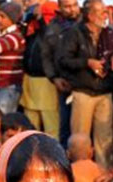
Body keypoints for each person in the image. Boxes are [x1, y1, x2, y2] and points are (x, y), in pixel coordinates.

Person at [58, 0, 113, 169]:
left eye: (105, 11)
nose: (105, 15)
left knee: (104, 141)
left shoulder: (108, 33)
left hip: (104, 91)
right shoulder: (74, 33)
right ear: (90, 15)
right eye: (101, 12)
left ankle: (102, 178)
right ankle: (78, 176)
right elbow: (63, 60)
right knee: (80, 140)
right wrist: (87, 62)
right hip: (83, 91)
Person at [42, 0, 82, 145]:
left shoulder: (87, 21)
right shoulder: (53, 27)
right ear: (60, 8)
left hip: (86, 85)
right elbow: (46, 56)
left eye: (74, 5)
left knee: (82, 130)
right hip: (63, 84)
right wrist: (54, 78)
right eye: (67, 6)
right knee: (65, 127)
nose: (72, 9)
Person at [19, 0, 60, 139]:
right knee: (30, 126)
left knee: (51, 125)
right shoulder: (33, 31)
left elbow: (48, 38)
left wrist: (41, 20)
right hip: (29, 80)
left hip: (47, 81)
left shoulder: (53, 30)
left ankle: (54, 156)